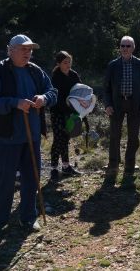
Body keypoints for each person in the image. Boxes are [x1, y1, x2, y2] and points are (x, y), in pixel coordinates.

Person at [0, 34, 57, 237]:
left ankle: (28, 218)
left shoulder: (35, 71)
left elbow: (52, 91)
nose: (28, 53)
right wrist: (14, 103)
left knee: (32, 179)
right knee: (4, 182)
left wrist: (44, 98)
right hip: (7, 138)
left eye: (30, 49)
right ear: (10, 50)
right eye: (23, 49)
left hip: (31, 136)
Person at [104, 36, 140, 177]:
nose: (125, 48)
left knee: (133, 136)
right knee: (114, 135)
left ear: (133, 48)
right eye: (122, 46)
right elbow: (106, 88)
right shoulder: (113, 65)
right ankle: (113, 164)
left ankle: (129, 165)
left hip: (135, 103)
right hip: (117, 103)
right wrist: (108, 104)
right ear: (120, 47)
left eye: (128, 46)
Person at [49, 51, 82, 181]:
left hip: (71, 113)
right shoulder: (55, 77)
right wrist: (68, 103)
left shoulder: (74, 75)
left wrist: (83, 103)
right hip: (57, 112)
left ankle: (66, 166)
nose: (68, 65)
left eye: (69, 62)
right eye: (65, 62)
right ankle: (53, 168)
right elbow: (56, 97)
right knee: (58, 139)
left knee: (66, 138)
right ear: (58, 63)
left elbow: (80, 90)